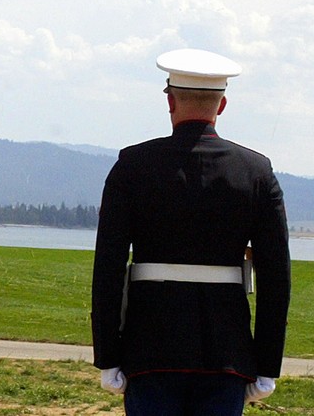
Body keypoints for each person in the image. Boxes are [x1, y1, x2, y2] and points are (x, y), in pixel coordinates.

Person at [90, 49, 291, 415]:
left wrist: (108, 356)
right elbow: (276, 276)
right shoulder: (256, 172)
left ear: (170, 101)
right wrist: (266, 366)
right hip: (227, 355)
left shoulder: (133, 166)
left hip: (149, 350)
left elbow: (108, 266)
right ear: (223, 104)